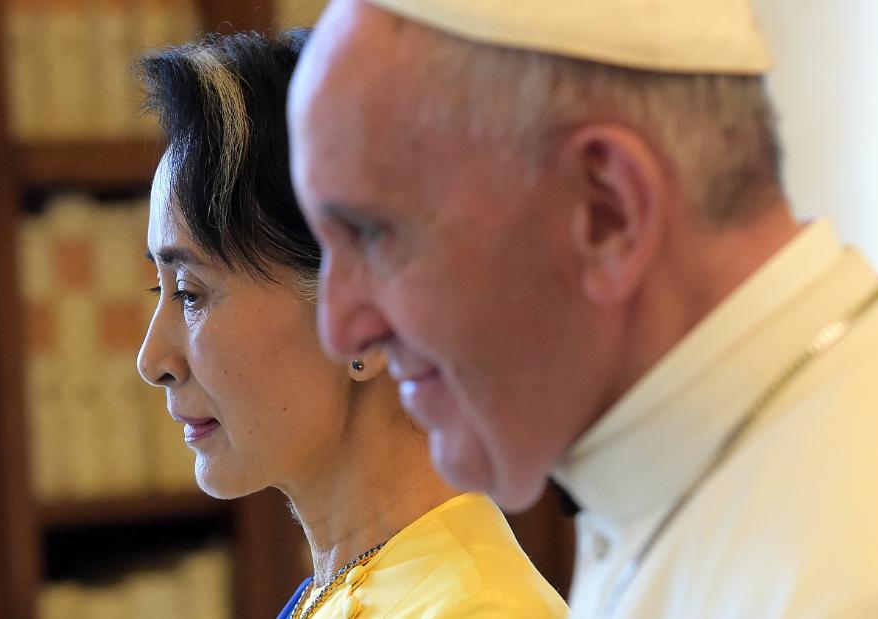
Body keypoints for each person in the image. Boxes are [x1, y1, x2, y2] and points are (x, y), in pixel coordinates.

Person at [288, 0, 878, 616]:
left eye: (374, 235)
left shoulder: (860, 583)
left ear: (606, 212)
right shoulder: (655, 472)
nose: (340, 329)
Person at [134, 30, 567, 618]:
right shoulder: (340, 591)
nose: (153, 358)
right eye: (159, 289)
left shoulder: (475, 608)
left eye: (189, 293)